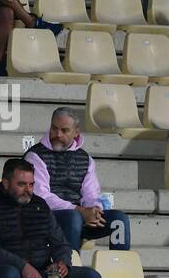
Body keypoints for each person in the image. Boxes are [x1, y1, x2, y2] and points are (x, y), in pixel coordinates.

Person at [0, 157, 102, 278]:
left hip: (43, 276)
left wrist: (62, 263)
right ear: (6, 183)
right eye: (22, 184)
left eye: (31, 185)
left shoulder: (40, 205)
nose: (28, 190)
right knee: (9, 274)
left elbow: (61, 243)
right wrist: (23, 267)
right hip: (0, 275)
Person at [25, 108, 131, 254]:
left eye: (64, 130)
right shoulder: (35, 156)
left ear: (76, 132)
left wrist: (94, 211)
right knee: (73, 217)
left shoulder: (86, 159)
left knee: (119, 220)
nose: (57, 134)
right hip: (45, 217)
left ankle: (120, 269)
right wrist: (80, 211)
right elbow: (41, 197)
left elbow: (91, 194)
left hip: (78, 216)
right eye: (54, 128)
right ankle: (72, 269)